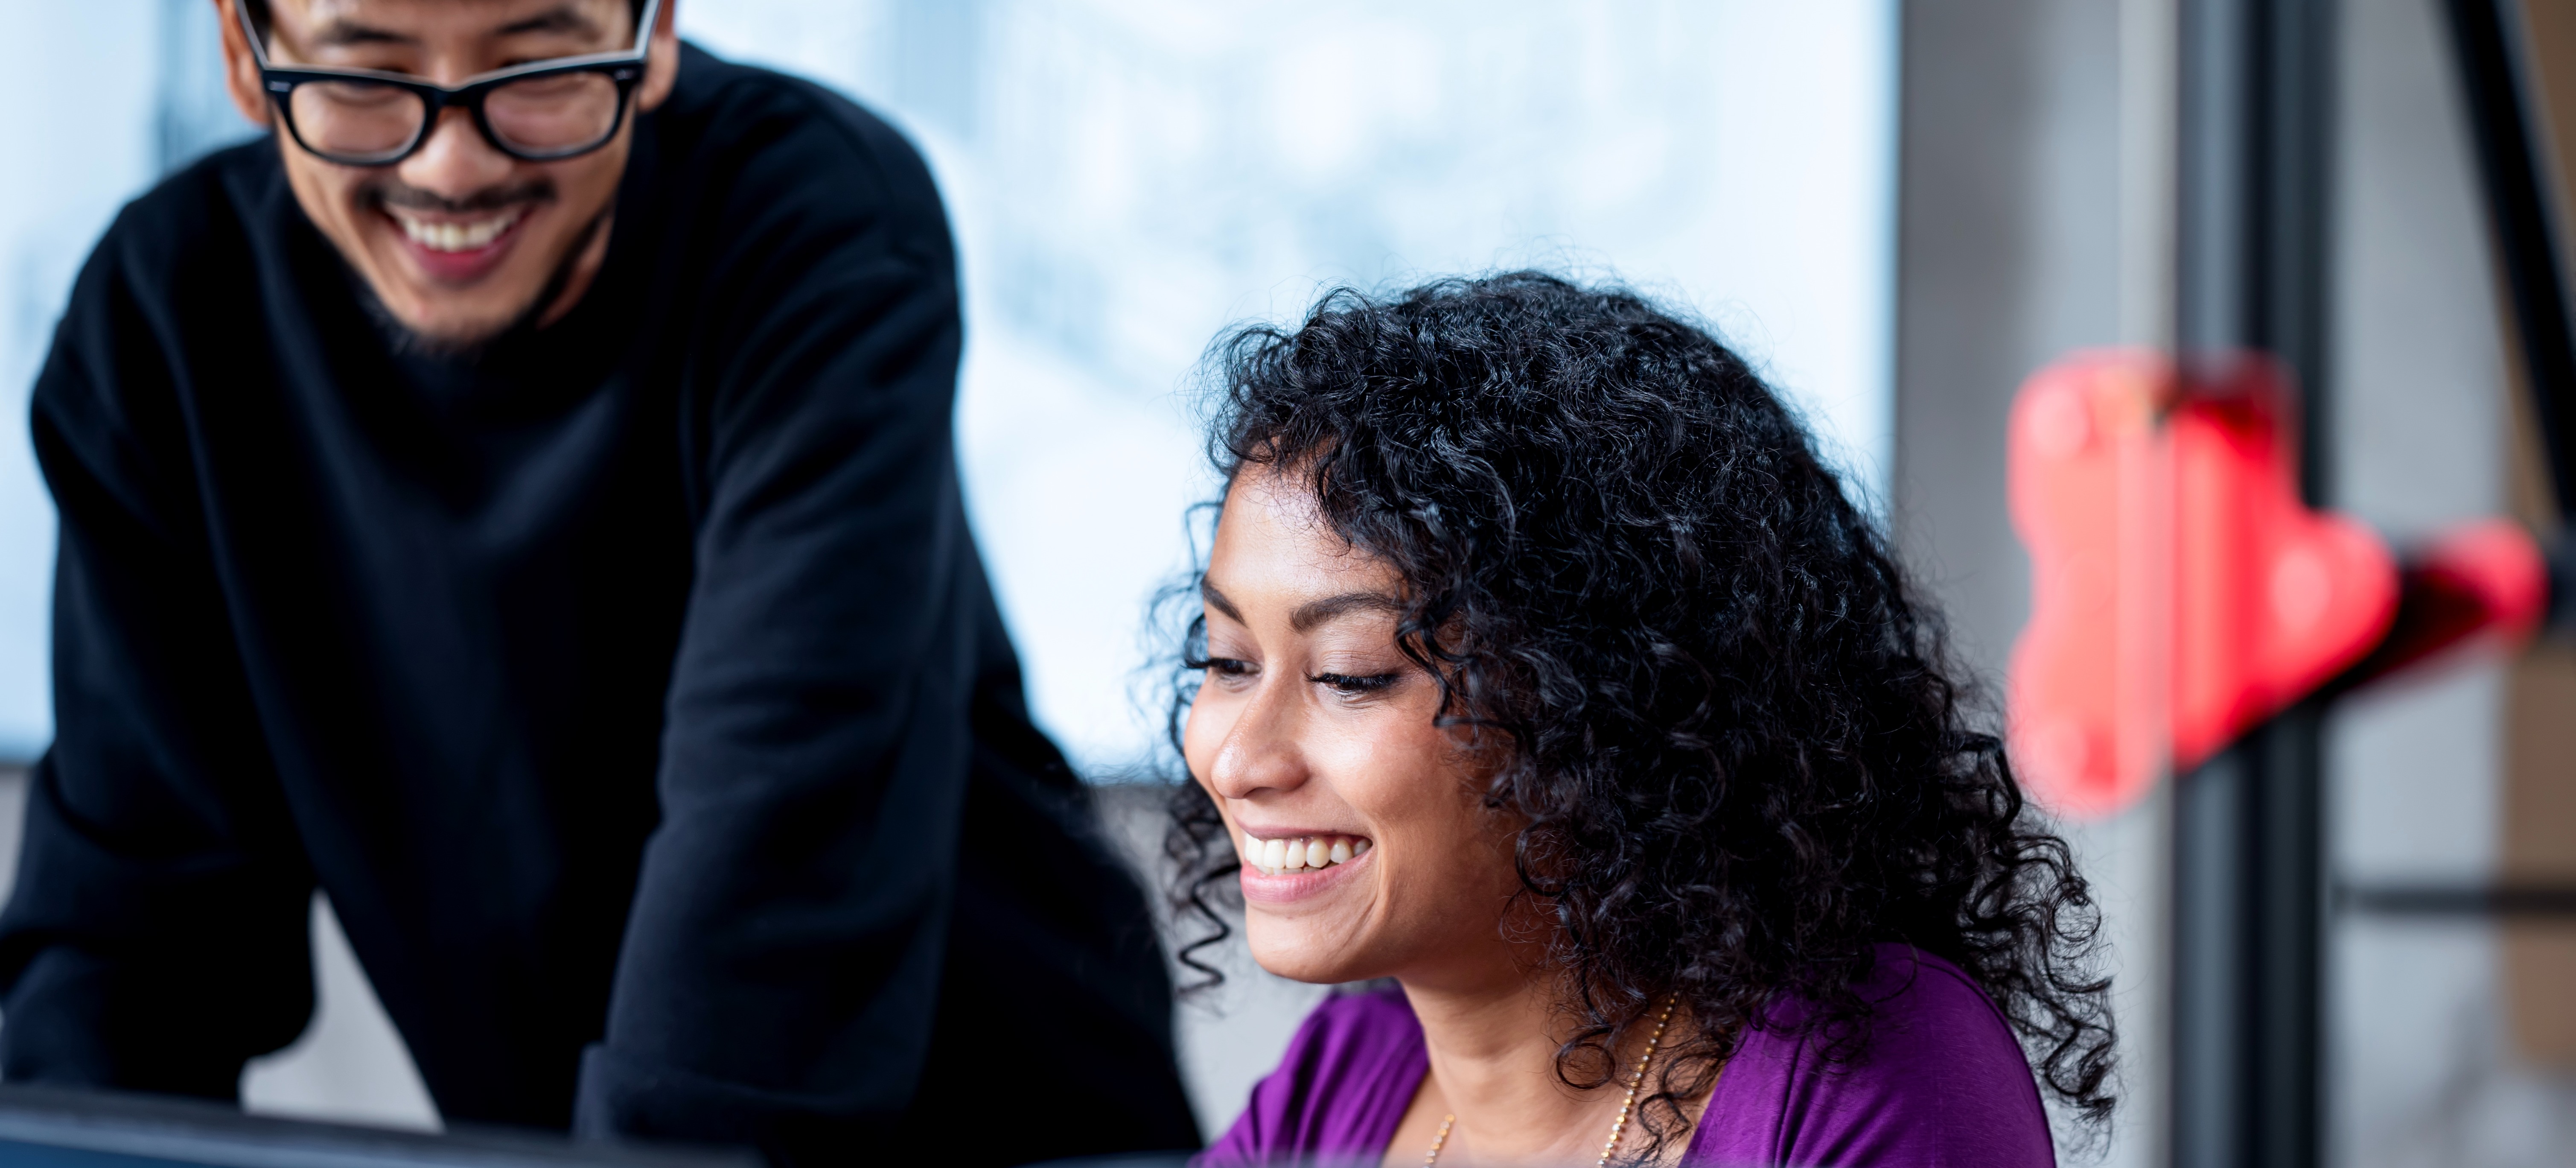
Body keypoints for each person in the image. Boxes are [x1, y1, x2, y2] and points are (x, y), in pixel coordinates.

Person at [0, 0, 1198, 1164]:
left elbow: (773, 872)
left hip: (1015, 1128)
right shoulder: (162, 323)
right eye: (366, 79)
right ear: (243, 51)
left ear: (654, 31)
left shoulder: (816, 223)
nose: (452, 169)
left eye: (535, 73)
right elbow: (130, 955)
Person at [1168, 274, 2116, 1166]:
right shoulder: (1338, 1085)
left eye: (1351, 674)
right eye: (1228, 661)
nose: (1241, 756)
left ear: (1604, 701)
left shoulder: (1863, 1074)